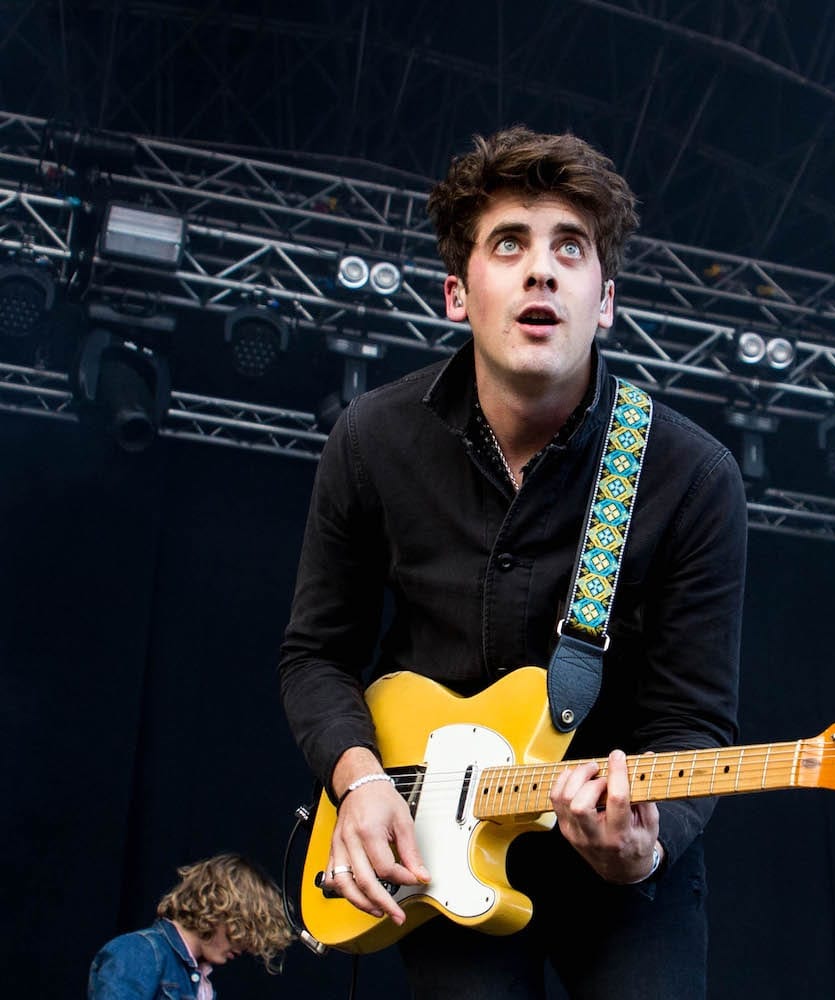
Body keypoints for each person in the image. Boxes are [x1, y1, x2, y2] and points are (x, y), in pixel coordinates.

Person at [278, 126, 746, 998]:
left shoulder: (689, 476)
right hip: (437, 845)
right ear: (458, 294)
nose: (542, 271)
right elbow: (316, 656)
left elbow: (694, 718)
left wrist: (646, 846)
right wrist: (360, 779)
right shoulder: (373, 439)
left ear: (604, 301)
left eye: (571, 248)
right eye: (509, 245)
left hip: (621, 867)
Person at [87, 853, 295, 999]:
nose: (245, 946)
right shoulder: (140, 951)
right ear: (220, 908)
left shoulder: (200, 981)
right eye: (243, 931)